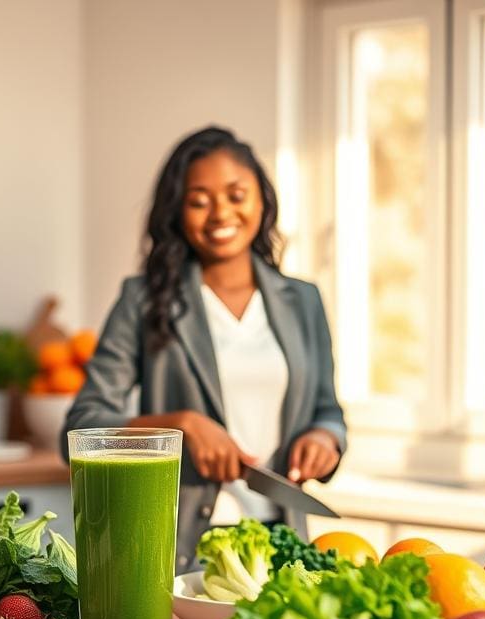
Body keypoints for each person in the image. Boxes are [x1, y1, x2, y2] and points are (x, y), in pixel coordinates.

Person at [61, 126, 346, 572]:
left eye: (236, 194)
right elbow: (81, 428)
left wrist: (324, 438)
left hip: (284, 545)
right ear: (177, 212)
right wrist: (179, 427)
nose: (220, 214)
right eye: (199, 201)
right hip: (181, 552)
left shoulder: (303, 300)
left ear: (262, 201)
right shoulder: (142, 301)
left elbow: (327, 409)